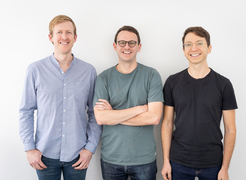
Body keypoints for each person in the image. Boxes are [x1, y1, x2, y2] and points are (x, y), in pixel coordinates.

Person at [19, 15, 102, 180]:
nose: (64, 37)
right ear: (51, 37)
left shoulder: (89, 71)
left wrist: (90, 148)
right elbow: (26, 111)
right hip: (44, 154)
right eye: (59, 32)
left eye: (69, 32)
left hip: (78, 155)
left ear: (75, 37)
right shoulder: (35, 70)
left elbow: (95, 113)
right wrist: (29, 148)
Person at [161, 26, 237, 180]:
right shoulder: (172, 82)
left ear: (209, 48)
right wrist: (166, 161)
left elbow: (230, 129)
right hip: (178, 162)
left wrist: (225, 168)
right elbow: (167, 123)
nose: (193, 48)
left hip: (213, 164)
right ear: (183, 50)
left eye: (199, 43)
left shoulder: (224, 84)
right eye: (188, 44)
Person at [93, 25, 163, 180]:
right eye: (122, 42)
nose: (127, 47)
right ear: (115, 46)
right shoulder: (103, 78)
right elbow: (101, 118)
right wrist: (139, 109)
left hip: (144, 159)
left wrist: (114, 114)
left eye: (132, 43)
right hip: (111, 158)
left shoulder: (152, 75)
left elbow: (154, 118)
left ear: (139, 47)